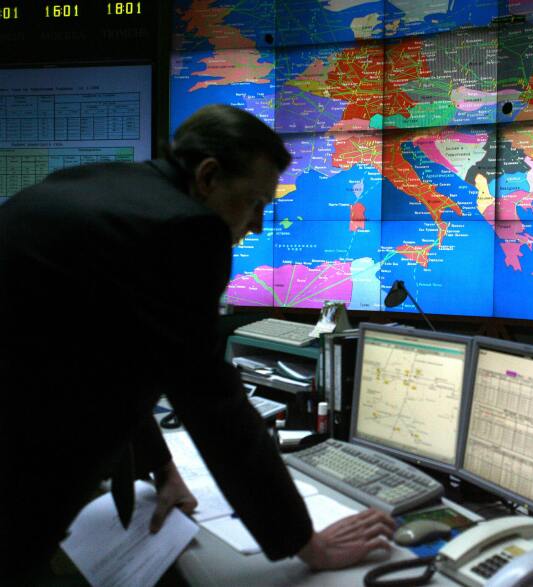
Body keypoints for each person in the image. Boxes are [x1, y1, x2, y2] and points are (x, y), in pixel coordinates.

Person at [0, 104, 394, 581]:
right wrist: (305, 544)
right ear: (208, 177)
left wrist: (162, 467)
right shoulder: (184, 230)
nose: (257, 226)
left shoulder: (104, 186)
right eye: (254, 203)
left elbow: (118, 357)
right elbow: (212, 403)